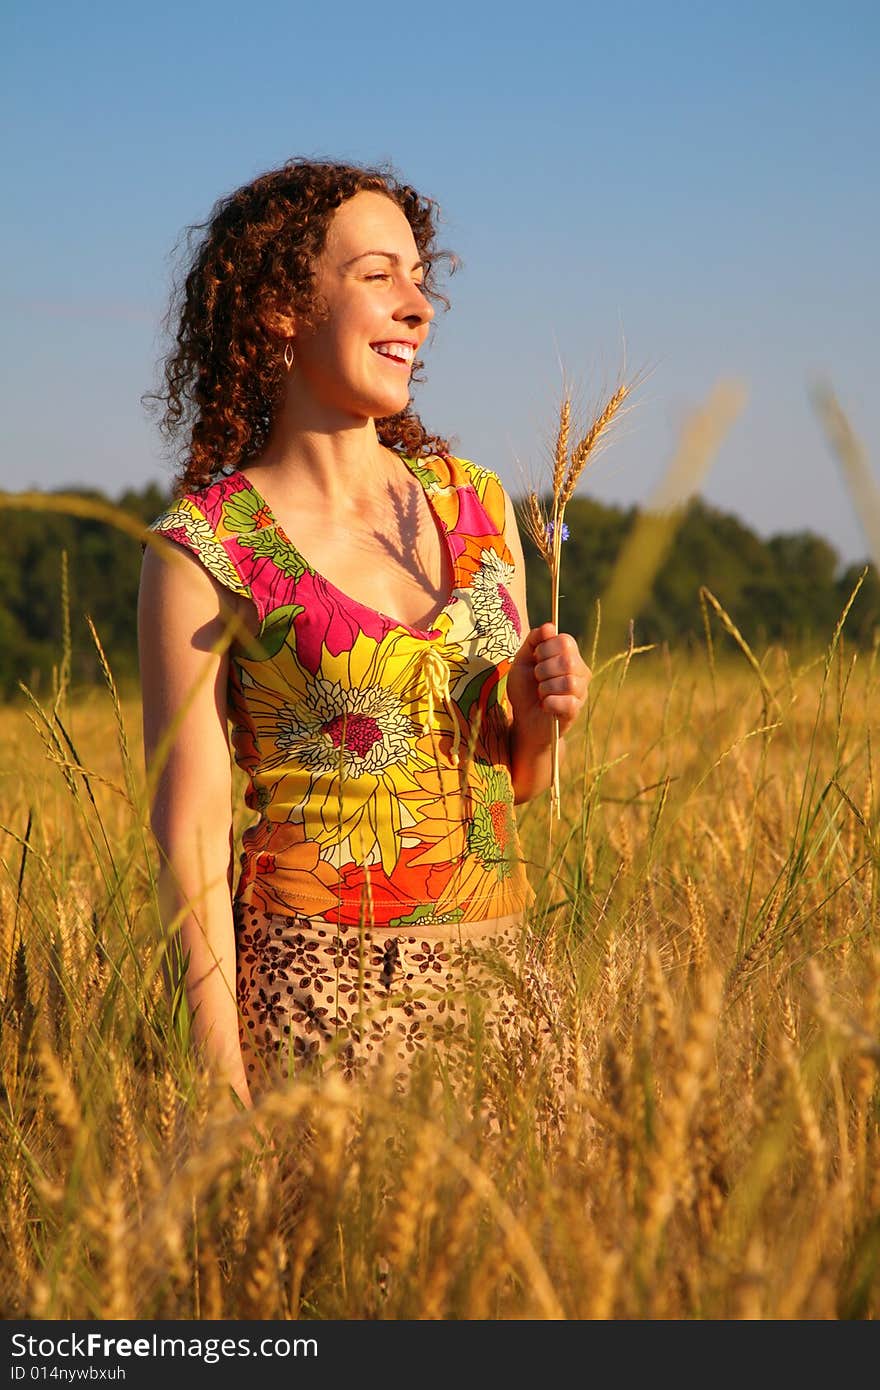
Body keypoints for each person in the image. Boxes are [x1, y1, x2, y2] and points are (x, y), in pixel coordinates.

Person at [138, 158, 591, 1112]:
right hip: (321, 1003)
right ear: (279, 307)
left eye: (421, 280)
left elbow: (518, 787)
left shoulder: (477, 505)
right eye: (378, 275)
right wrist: (226, 1095)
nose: (417, 305)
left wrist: (543, 718)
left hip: (507, 991)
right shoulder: (207, 548)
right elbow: (190, 840)